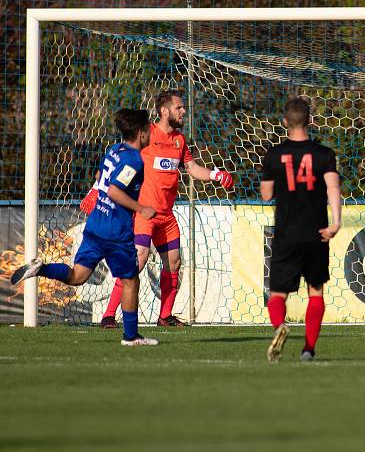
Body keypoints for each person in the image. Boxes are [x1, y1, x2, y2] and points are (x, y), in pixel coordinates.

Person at [82, 90, 234, 328]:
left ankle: (165, 317)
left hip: (166, 216)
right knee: (138, 260)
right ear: (164, 111)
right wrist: (95, 188)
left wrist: (216, 174)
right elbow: (116, 158)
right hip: (144, 214)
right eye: (179, 108)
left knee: (174, 263)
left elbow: (192, 169)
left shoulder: (179, 140)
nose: (183, 111)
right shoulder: (146, 134)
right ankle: (109, 315)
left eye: (183, 108)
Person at [13, 109, 159, 346]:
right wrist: (142, 209)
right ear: (141, 133)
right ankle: (131, 337)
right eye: (149, 129)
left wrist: (96, 192)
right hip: (116, 231)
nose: (151, 132)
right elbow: (114, 190)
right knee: (131, 280)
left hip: (95, 225)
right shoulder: (134, 160)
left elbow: (102, 176)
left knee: (77, 277)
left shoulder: (114, 150)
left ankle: (40, 269)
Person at [260, 98, 341, 362]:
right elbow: (333, 188)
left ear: (285, 123)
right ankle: (308, 350)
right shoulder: (324, 154)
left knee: (278, 294)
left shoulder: (273, 155)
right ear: (310, 120)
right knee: (315, 291)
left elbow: (266, 194)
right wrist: (336, 223)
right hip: (316, 233)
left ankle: (279, 326)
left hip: (286, 234)